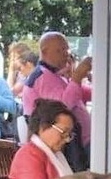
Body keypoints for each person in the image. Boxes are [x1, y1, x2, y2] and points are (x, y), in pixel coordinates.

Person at [22, 32, 93, 162]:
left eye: (66, 49)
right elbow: (62, 108)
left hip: (81, 142)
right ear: (44, 52)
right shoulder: (42, 77)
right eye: (60, 50)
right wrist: (77, 76)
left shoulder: (53, 75)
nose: (66, 54)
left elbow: (84, 94)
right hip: (71, 147)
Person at [10, 99, 75, 179]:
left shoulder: (54, 154)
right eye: (63, 132)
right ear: (42, 127)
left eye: (69, 135)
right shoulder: (28, 156)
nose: (67, 139)